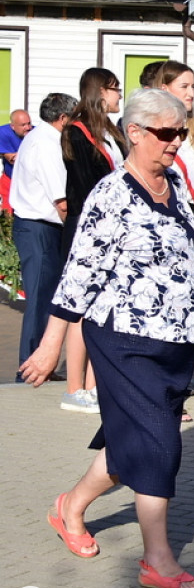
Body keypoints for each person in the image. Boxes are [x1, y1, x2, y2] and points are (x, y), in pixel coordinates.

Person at [20, 88, 194, 588]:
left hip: (176, 341)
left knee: (133, 439)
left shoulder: (174, 184)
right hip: (125, 337)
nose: (175, 143)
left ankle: (70, 507)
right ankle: (157, 560)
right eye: (167, 134)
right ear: (136, 133)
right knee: (159, 443)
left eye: (181, 132)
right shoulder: (112, 195)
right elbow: (78, 275)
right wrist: (50, 344)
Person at [61, 67, 127, 414]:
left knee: (101, 309)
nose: (120, 96)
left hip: (112, 228)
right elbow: (87, 185)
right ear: (101, 91)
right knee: (80, 308)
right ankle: (74, 388)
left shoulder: (110, 132)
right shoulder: (77, 131)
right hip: (86, 228)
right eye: (116, 90)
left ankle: (93, 384)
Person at [10, 93, 77, 379]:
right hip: (39, 227)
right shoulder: (47, 144)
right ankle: (31, 367)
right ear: (63, 119)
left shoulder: (40, 139)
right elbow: (60, 200)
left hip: (37, 226)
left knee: (46, 298)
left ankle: (39, 363)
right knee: (40, 299)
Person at [155, 61, 194, 251]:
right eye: (184, 87)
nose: (191, 93)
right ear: (164, 88)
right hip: (160, 224)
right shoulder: (149, 132)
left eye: (193, 87)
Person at [0, 109, 34, 212]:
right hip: (10, 179)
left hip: (29, 182)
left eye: (29, 124)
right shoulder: (3, 132)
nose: (28, 128)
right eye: (23, 125)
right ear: (13, 126)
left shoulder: (36, 132)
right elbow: (12, 159)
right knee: (6, 212)